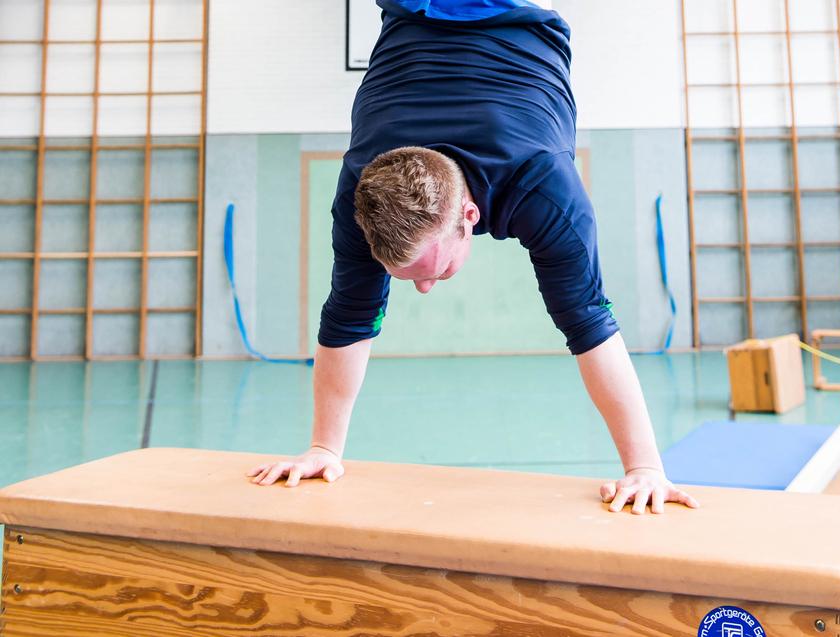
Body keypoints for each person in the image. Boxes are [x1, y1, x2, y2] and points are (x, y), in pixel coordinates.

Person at [247, 0, 699, 514]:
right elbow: (346, 318)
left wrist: (646, 469)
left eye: (432, 270)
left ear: (470, 214)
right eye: (410, 277)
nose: (423, 288)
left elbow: (590, 322)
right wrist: (323, 448)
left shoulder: (541, 186)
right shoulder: (363, 194)